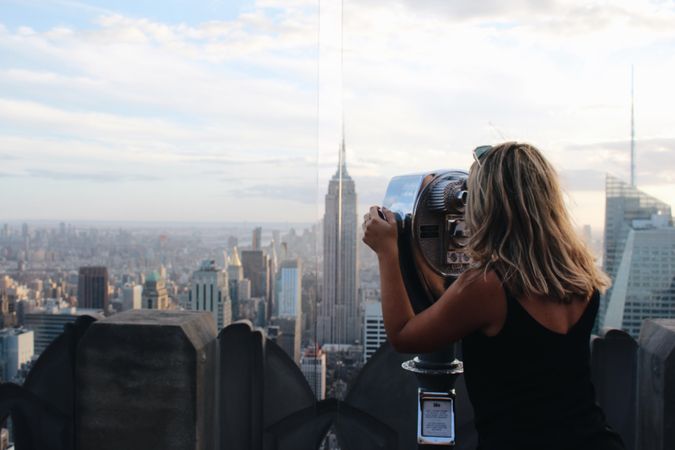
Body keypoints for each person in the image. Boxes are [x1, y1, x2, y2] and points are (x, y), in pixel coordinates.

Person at [362, 142, 626, 450]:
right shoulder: (580, 276)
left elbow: (404, 336)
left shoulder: (488, 286)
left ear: (489, 205)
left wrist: (387, 252)